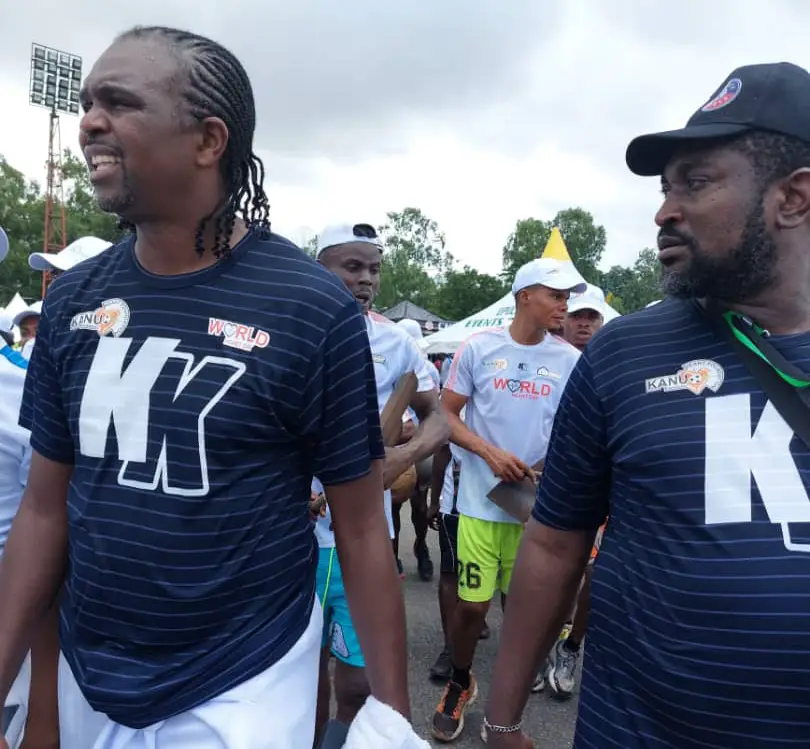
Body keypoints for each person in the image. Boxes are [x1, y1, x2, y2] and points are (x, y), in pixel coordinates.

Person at [0, 27, 414, 749]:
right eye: (89, 101)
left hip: (243, 683)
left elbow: (359, 528)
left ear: (208, 140)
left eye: (119, 102)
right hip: (89, 671)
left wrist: (393, 718)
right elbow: (43, 511)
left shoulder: (310, 309)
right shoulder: (72, 302)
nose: (90, 121)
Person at [484, 62, 810, 749]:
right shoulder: (621, 354)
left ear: (794, 197)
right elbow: (554, 544)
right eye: (666, 188)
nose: (664, 211)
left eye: (697, 182)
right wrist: (502, 718)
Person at [431, 257, 586, 743]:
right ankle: (461, 682)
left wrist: (552, 465)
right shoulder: (480, 347)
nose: (564, 306)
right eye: (555, 295)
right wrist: (489, 453)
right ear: (525, 296)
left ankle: (505, 709)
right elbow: (445, 415)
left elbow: (576, 427)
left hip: (536, 510)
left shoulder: (570, 359)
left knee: (521, 613)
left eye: (567, 297)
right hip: (480, 503)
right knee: (472, 609)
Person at [313, 224, 449, 743]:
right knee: (299, 679)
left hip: (364, 538)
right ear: (319, 269)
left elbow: (439, 416)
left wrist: (403, 458)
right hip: (291, 540)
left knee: (357, 684)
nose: (366, 279)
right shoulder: (287, 329)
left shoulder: (396, 343)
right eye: (352, 267)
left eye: (373, 268)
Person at [542, 291, 607, 701]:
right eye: (577, 316)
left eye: (591, 317)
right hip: (549, 483)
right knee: (550, 575)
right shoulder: (546, 360)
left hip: (604, 488)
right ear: (563, 320)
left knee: (593, 576)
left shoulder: (615, 363)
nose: (583, 323)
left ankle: (571, 647)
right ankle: (539, 645)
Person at [394, 317, 440, 581]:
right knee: (393, 504)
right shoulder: (389, 360)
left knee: (419, 505)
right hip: (394, 439)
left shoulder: (428, 368)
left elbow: (431, 410)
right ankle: (393, 554)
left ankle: (421, 545)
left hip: (419, 441)